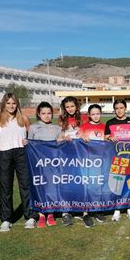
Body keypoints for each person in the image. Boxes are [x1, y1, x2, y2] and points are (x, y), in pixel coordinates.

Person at [0, 93, 35, 232]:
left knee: (26, 185)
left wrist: (27, 142)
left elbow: (30, 137)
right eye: (8, 103)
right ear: (4, 104)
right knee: (5, 187)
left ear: (17, 104)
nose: (11, 106)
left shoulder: (24, 119)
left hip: (22, 154)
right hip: (5, 155)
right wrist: (2, 150)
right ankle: (6, 219)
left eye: (13, 103)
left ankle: (30, 216)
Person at [27, 102, 62, 228]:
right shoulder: (33, 127)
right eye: (43, 113)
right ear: (38, 114)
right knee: (40, 187)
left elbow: (60, 146)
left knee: (52, 187)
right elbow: (30, 145)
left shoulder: (57, 128)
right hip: (38, 163)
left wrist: (62, 140)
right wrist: (26, 142)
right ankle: (41, 214)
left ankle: (51, 213)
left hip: (53, 163)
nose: (46, 116)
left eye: (49, 113)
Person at [105, 99, 130, 221]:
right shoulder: (110, 122)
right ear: (114, 110)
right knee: (117, 182)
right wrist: (110, 137)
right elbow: (105, 138)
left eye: (121, 108)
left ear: (125, 109)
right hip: (115, 157)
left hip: (129, 156)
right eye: (117, 108)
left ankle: (129, 207)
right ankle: (117, 209)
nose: (119, 110)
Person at [58, 96, 89, 226]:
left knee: (83, 181)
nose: (70, 109)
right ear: (64, 108)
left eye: (72, 106)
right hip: (66, 156)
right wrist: (64, 137)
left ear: (76, 106)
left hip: (82, 155)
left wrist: (82, 135)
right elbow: (59, 137)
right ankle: (67, 211)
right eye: (67, 107)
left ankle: (85, 211)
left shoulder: (84, 118)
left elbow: (86, 135)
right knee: (68, 181)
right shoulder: (61, 119)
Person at [78, 104, 107, 227]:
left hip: (100, 161)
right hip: (86, 161)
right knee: (86, 186)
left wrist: (109, 138)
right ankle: (85, 213)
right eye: (93, 114)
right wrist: (81, 137)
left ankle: (96, 210)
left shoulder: (104, 127)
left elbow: (107, 140)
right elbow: (77, 140)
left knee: (97, 185)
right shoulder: (84, 127)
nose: (96, 116)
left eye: (98, 113)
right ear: (89, 115)